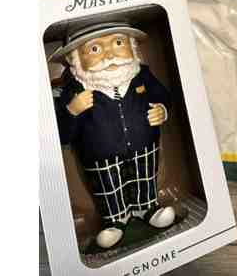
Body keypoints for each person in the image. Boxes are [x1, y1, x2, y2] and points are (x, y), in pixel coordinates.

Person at [49, 21, 180, 249]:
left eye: (118, 43)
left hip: (144, 146)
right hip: (100, 156)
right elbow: (63, 135)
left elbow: (164, 96)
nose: (109, 55)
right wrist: (72, 110)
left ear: (132, 47)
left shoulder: (142, 76)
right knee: (109, 188)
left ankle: (148, 208)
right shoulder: (74, 90)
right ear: (75, 58)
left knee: (145, 178)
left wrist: (162, 110)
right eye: (95, 49)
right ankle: (115, 220)